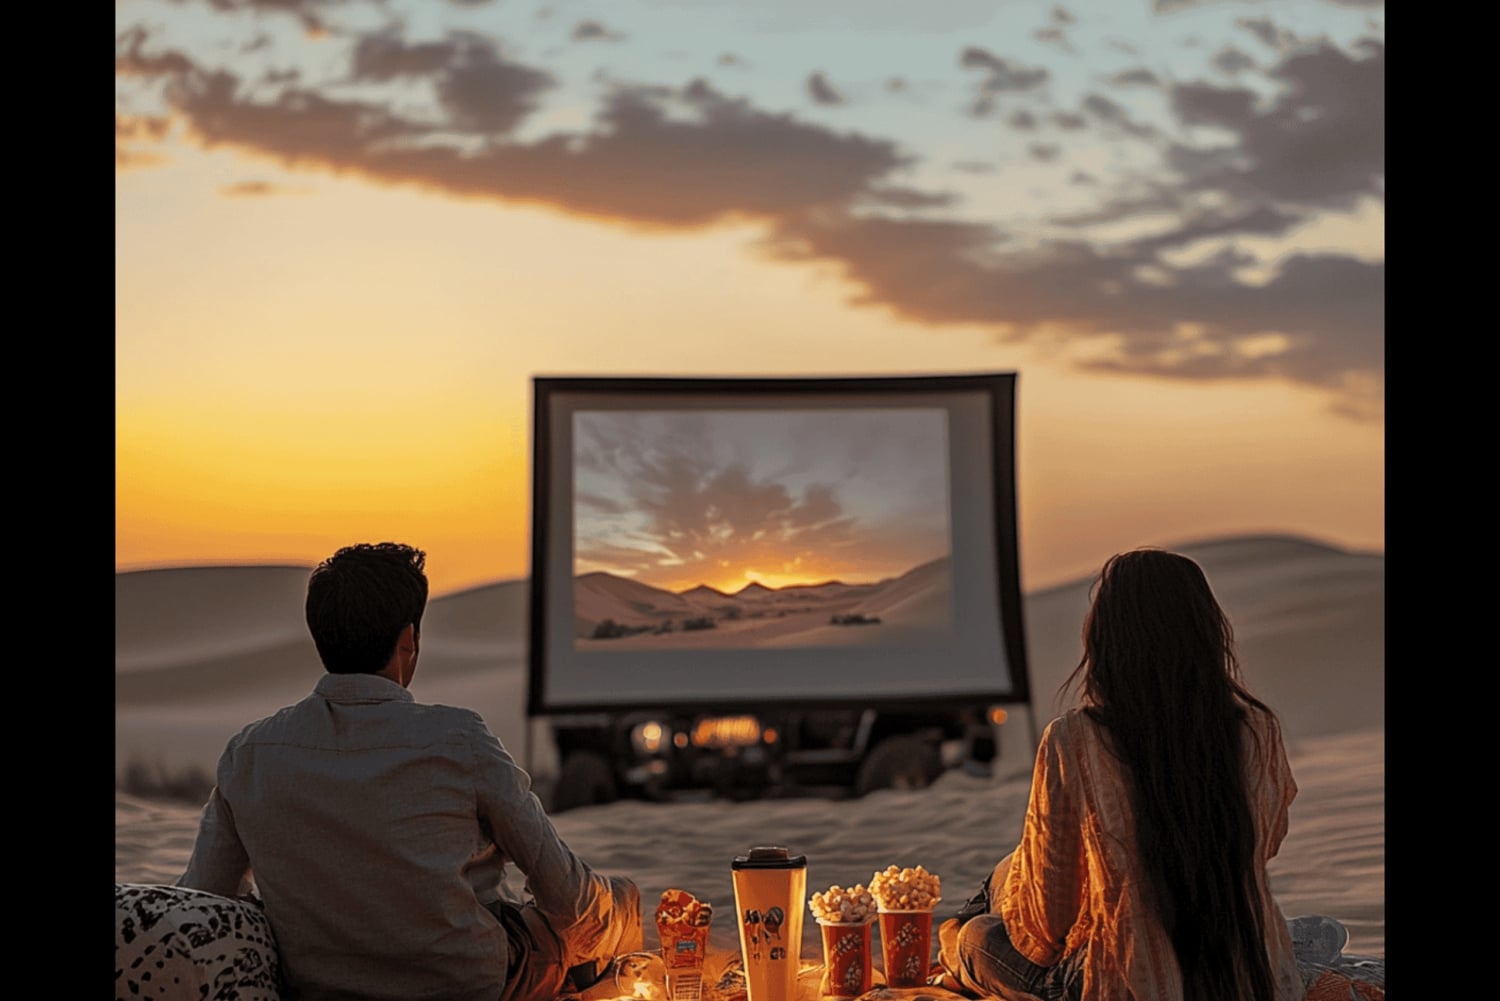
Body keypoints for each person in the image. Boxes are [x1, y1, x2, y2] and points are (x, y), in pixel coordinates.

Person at [178, 542, 642, 1001]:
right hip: (473, 984)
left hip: (318, 985)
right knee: (617, 902)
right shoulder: (459, 739)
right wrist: (608, 910)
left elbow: (201, 898)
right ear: (408, 639)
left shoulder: (249, 753)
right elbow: (566, 893)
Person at [937, 547, 1342, 1001]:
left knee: (975, 935)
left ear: (1105, 639)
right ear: (1208, 632)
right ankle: (1293, 942)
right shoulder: (1258, 730)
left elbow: (1045, 930)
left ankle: (954, 939)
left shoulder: (1074, 738)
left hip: (1124, 986)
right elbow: (1265, 845)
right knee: (1013, 871)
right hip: (1254, 972)